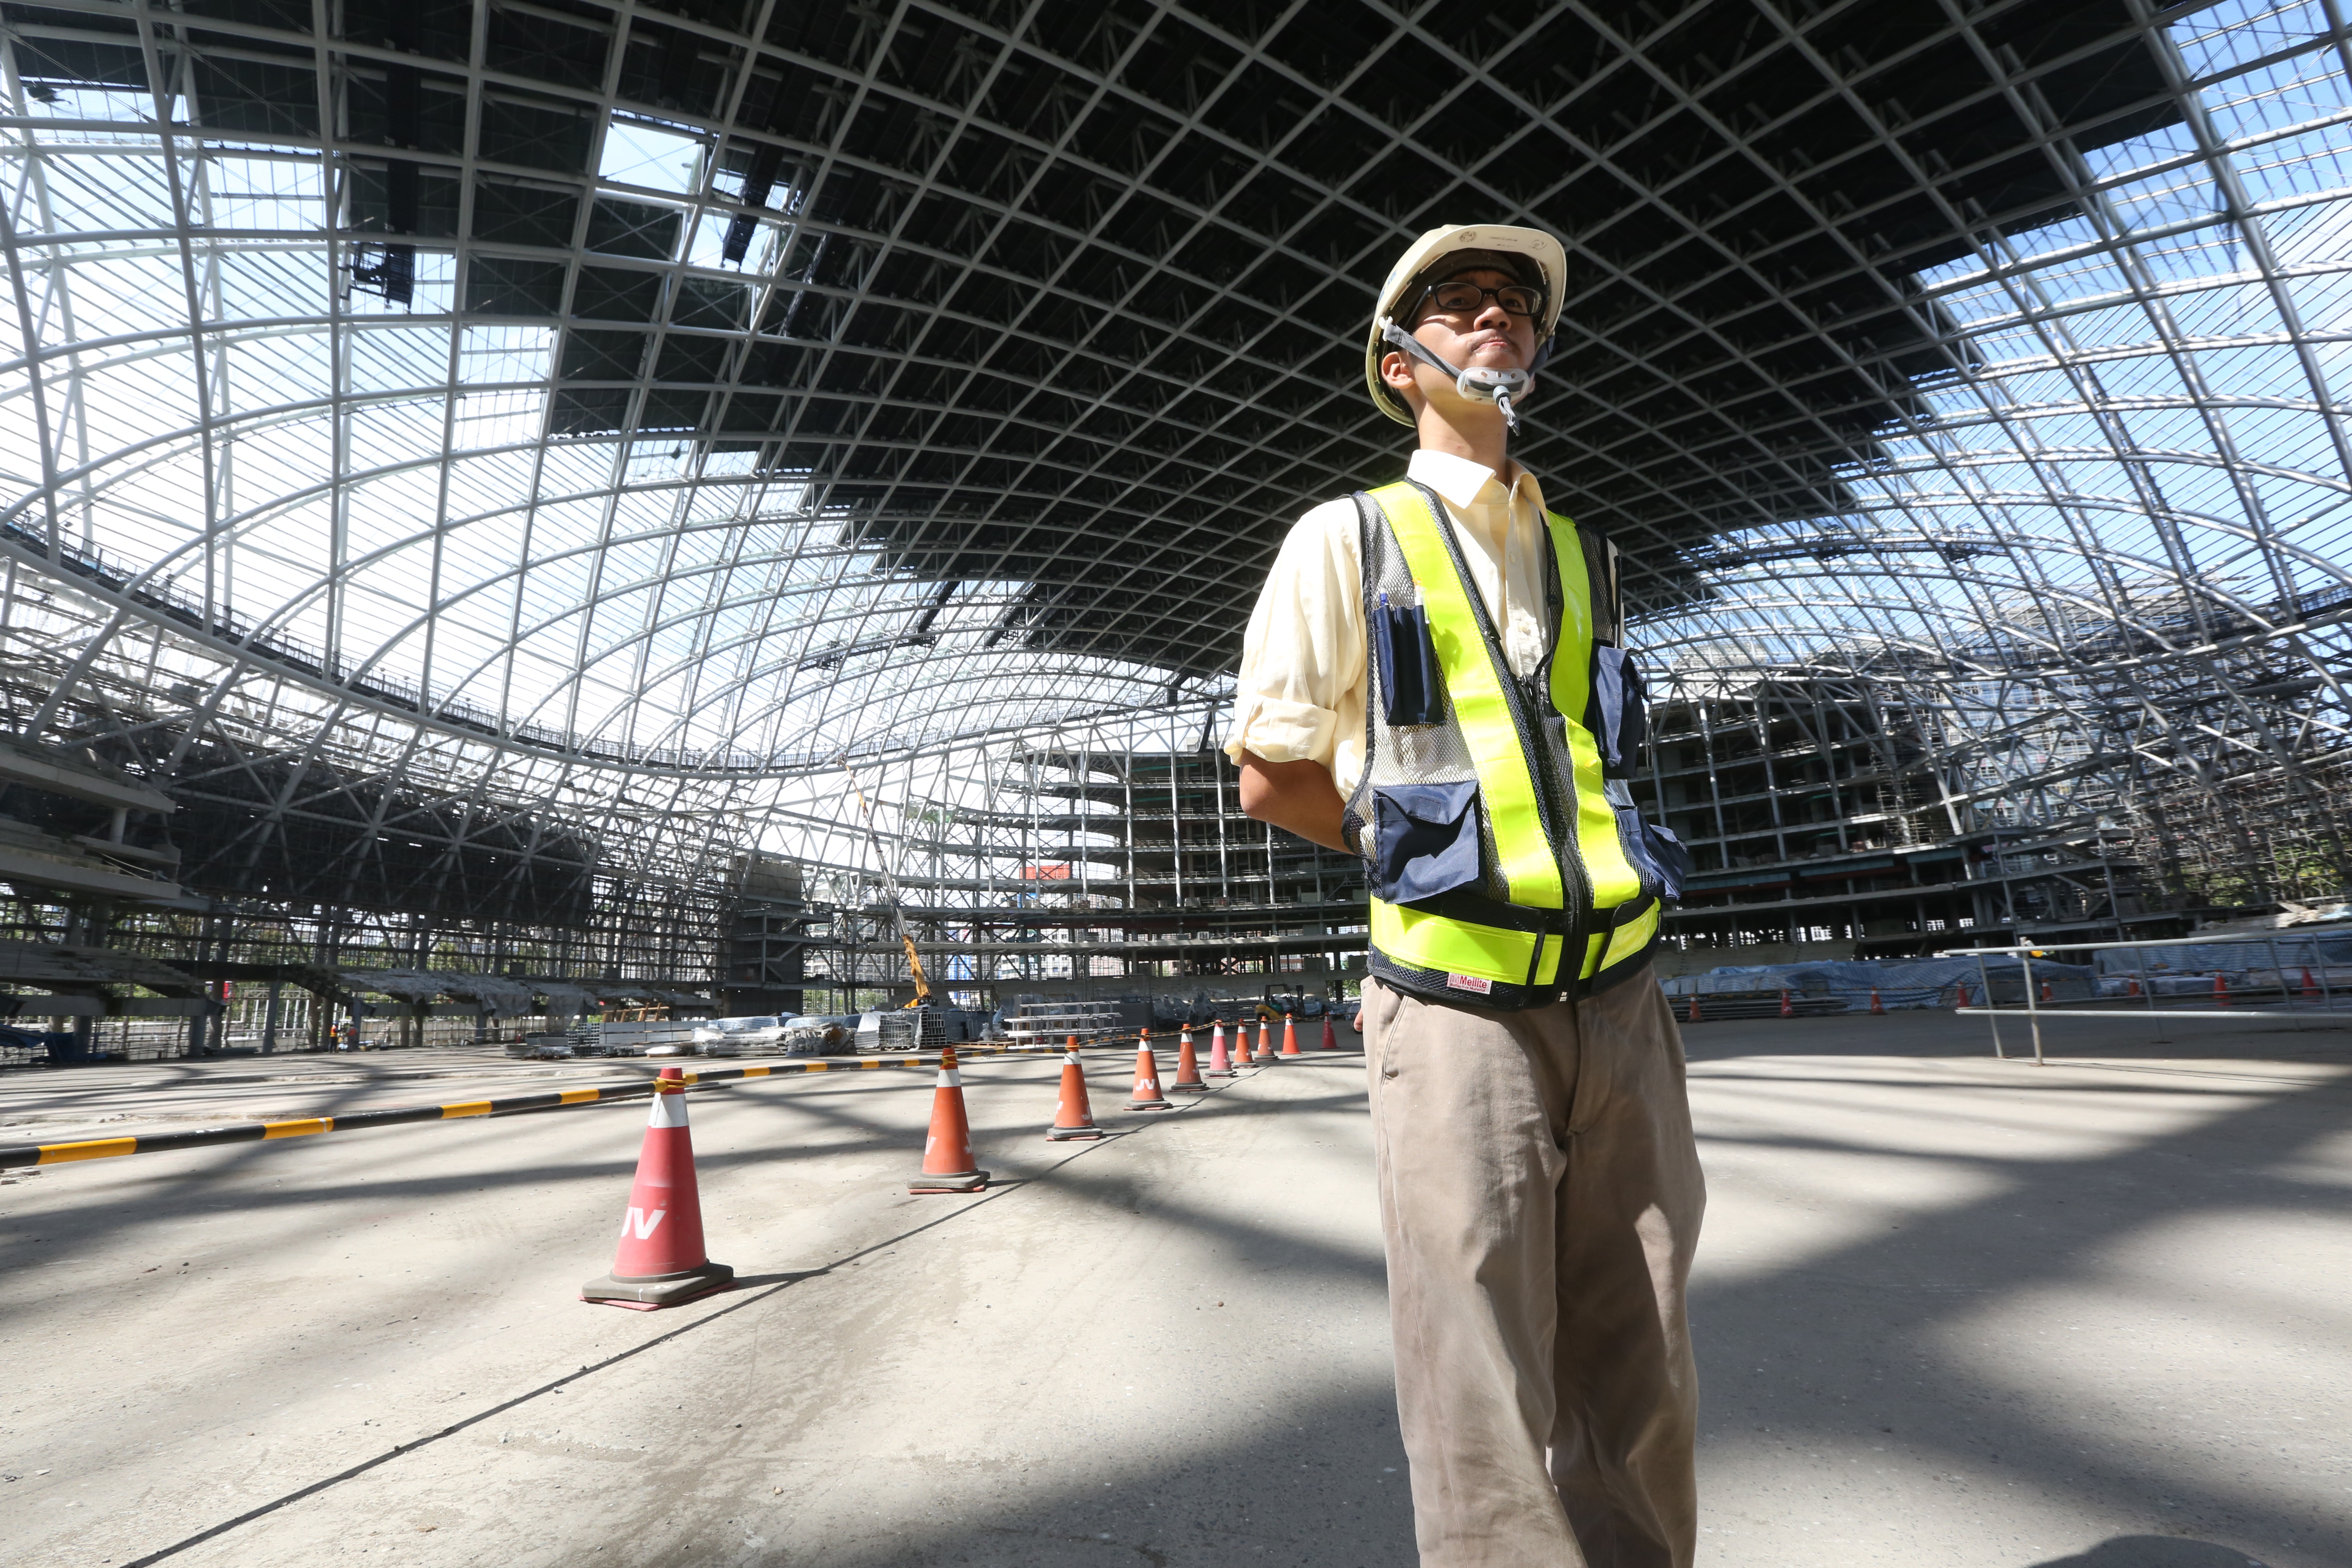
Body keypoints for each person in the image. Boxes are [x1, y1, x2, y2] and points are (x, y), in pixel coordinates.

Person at [1226, 223, 1705, 1568]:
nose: (1495, 316)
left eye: (1515, 304)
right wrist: (1422, 859)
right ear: (1400, 363)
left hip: (1624, 1004)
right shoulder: (1348, 537)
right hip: (1460, 1011)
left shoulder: (1589, 557)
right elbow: (1271, 774)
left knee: (1647, 1366)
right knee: (1481, 1387)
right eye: (1457, 302)